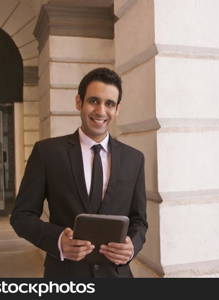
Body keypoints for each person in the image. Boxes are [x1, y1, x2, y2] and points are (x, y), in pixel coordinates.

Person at [10, 68, 148, 278]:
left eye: (109, 103)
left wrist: (131, 246)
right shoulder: (47, 153)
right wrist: (57, 240)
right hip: (65, 276)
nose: (101, 111)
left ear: (117, 109)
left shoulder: (134, 159)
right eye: (94, 100)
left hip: (117, 276)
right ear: (79, 102)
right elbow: (21, 217)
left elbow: (139, 220)